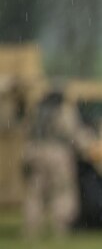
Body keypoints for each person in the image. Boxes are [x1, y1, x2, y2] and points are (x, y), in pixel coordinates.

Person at [22, 90, 82, 238]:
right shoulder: (63, 110)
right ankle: (60, 227)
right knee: (62, 190)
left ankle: (32, 229)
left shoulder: (37, 110)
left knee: (35, 193)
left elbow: (27, 130)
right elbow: (73, 132)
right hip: (57, 153)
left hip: (35, 151)